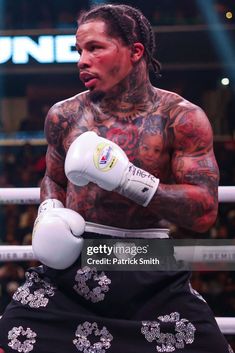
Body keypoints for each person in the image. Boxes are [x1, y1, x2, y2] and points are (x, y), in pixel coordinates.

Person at [0, 3, 233, 353]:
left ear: (135, 51)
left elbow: (204, 212)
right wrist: (49, 210)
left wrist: (129, 180)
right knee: (12, 333)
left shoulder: (180, 118)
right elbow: (54, 178)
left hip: (149, 266)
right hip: (77, 262)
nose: (81, 59)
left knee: (209, 346)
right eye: (79, 50)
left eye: (95, 48)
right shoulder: (65, 115)